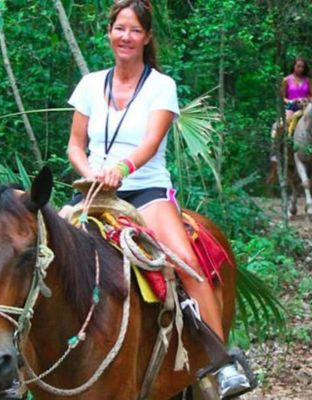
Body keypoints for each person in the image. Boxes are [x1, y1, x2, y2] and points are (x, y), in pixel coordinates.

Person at [66, 1, 251, 397]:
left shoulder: (160, 86)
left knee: (187, 267)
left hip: (145, 189)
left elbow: (151, 142)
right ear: (109, 33)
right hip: (95, 191)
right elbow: (74, 145)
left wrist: (122, 169)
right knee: (43, 256)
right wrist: (90, 172)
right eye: (120, 28)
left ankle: (220, 363)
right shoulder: (89, 85)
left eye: (134, 30)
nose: (126, 37)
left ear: (147, 37)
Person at [280, 57, 312, 134]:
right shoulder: (286, 80)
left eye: (303, 67)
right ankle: (281, 143)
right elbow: (283, 97)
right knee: (282, 125)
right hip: (291, 107)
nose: (301, 69)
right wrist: (291, 102)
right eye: (298, 66)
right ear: (294, 66)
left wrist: (306, 99)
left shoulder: (308, 80)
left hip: (305, 107)